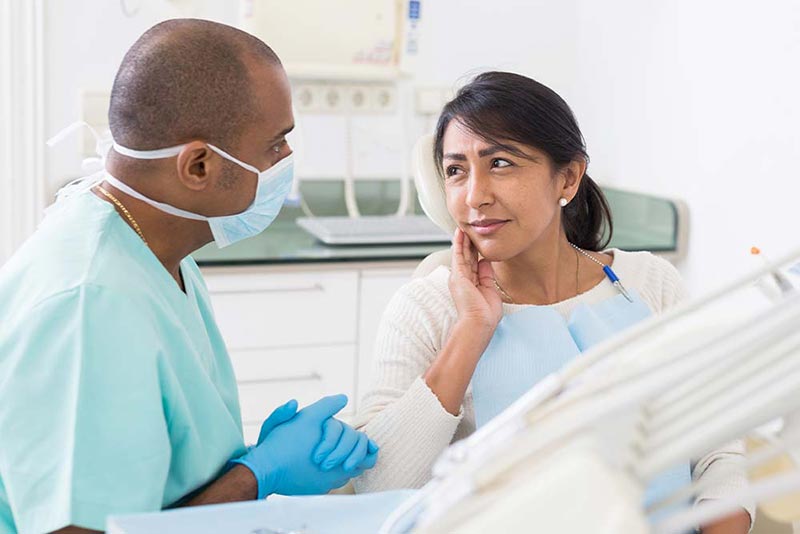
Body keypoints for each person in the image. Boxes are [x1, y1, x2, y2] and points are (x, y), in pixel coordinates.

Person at [0, 19, 377, 534]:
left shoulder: (154, 245)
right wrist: (255, 475)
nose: (286, 160)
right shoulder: (90, 300)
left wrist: (244, 461)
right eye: (275, 144)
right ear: (197, 166)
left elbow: (156, 469)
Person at [354, 71, 753, 533]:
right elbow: (379, 489)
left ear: (567, 177)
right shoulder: (427, 307)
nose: (474, 196)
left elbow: (718, 448)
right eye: (455, 170)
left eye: (500, 163)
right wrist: (472, 330)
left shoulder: (649, 283)